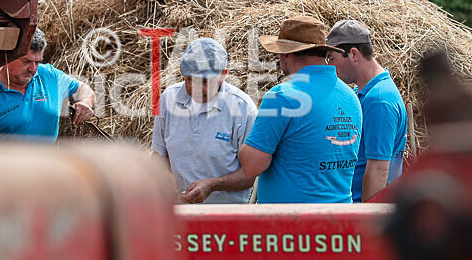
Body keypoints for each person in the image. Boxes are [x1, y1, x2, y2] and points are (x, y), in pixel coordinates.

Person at [238, 16, 362, 203]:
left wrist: (245, 148)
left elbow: (251, 166)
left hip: (293, 224)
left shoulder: (283, 96)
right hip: (340, 219)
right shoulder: (351, 96)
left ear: (286, 54)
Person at [151, 38, 257, 203]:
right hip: (177, 214)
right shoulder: (168, 100)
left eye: (205, 82)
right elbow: (159, 155)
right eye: (190, 80)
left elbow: (250, 174)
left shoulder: (243, 109)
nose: (197, 89)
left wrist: (213, 185)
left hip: (225, 218)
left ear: (223, 75)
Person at [325, 19, 408, 202]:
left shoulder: (378, 100)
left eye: (332, 58)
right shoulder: (366, 93)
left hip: (362, 211)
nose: (329, 66)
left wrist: (366, 222)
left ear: (354, 54)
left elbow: (378, 169)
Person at [0, 28, 95, 141]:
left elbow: (84, 90)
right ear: (8, 56)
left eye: (37, 62)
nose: (33, 69)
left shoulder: (50, 76)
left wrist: (85, 103)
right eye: (26, 61)